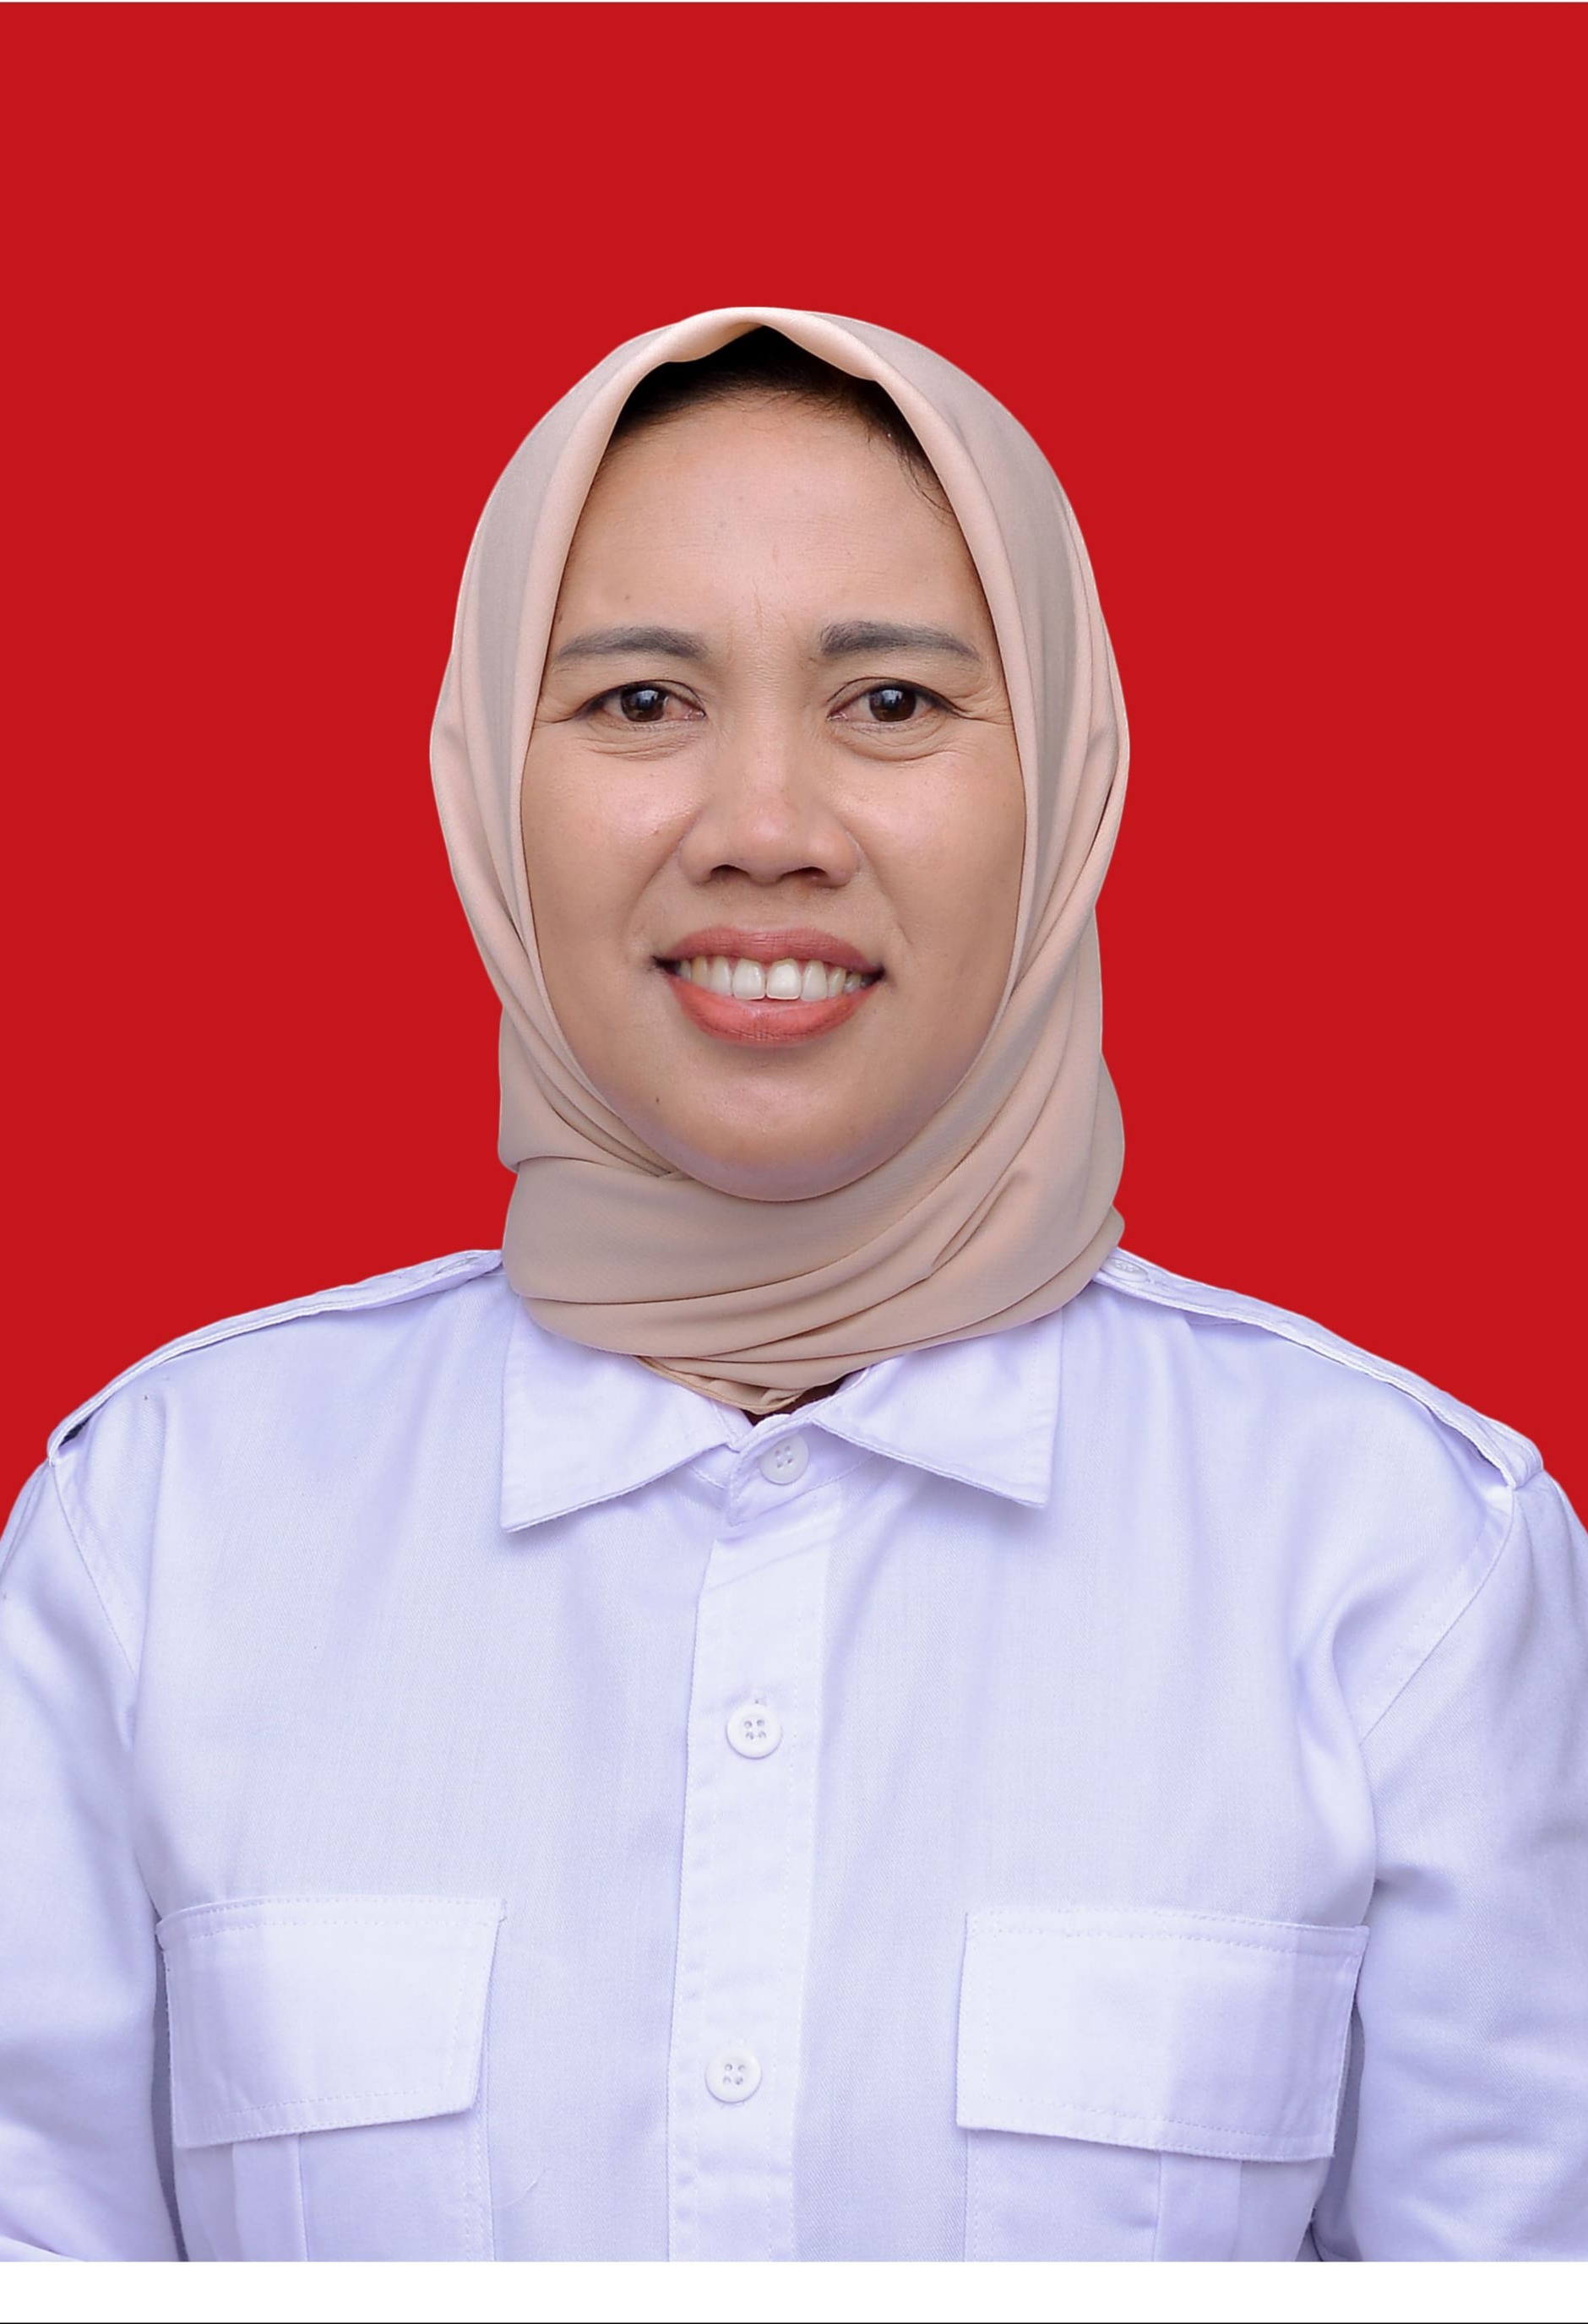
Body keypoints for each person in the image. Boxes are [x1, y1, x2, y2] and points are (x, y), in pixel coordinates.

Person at [1, 309, 1583, 2266]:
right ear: (489, 777)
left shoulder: (1397, 1558)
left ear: (1064, 778)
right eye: (641, 700)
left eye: (891, 703)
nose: (763, 830)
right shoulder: (161, 1537)